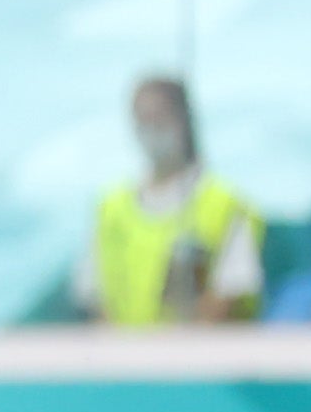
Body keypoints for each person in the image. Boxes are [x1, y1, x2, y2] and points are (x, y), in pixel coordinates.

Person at [73, 72, 265, 322]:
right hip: (122, 357)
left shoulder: (225, 204)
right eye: (142, 118)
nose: (150, 129)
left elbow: (230, 297)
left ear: (184, 119)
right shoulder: (110, 207)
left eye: (159, 118)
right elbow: (94, 301)